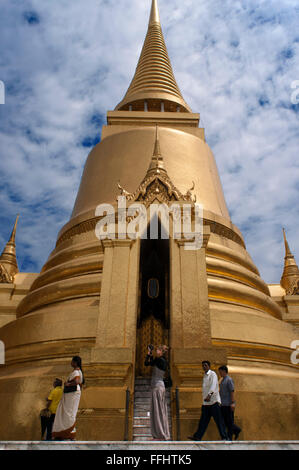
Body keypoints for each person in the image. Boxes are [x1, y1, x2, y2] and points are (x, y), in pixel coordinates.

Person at [188, 361, 229, 441]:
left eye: (205, 365)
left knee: (219, 421)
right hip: (206, 403)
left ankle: (224, 437)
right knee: (203, 421)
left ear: (209, 366)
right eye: (203, 365)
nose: (204, 367)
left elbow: (214, 385)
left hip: (213, 402)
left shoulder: (212, 374)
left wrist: (209, 395)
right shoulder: (204, 376)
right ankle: (197, 436)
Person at [52, 356, 84, 440]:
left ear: (75, 362)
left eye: (72, 361)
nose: (71, 362)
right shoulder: (78, 372)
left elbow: (77, 382)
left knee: (69, 414)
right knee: (66, 413)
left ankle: (68, 433)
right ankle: (64, 433)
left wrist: (68, 384)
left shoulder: (77, 372)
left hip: (72, 394)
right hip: (72, 394)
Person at [145, 344, 170, 441]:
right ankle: (160, 434)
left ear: (161, 351)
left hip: (157, 386)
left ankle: (160, 434)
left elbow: (147, 363)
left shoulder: (160, 360)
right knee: (159, 410)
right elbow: (149, 363)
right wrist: (150, 354)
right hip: (158, 386)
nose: (156, 352)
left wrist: (149, 354)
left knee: (158, 411)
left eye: (158, 350)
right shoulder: (161, 360)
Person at [218, 365, 242, 440]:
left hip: (228, 404)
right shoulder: (222, 380)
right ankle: (236, 430)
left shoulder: (229, 380)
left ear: (224, 371)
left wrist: (232, 403)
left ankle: (230, 437)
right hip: (223, 404)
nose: (220, 373)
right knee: (225, 422)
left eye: (220, 371)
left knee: (229, 422)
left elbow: (232, 391)